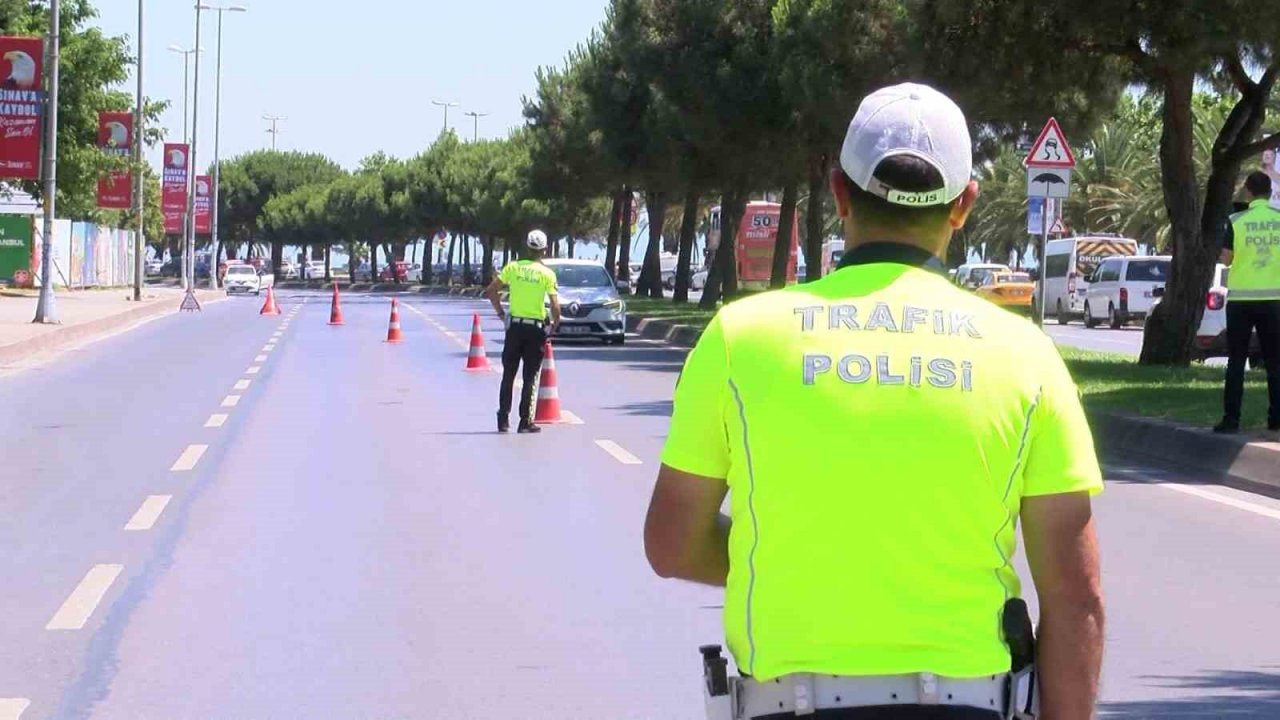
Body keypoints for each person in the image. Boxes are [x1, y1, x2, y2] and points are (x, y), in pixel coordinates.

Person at [644, 84, 1105, 720]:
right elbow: (1076, 598)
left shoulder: (739, 338)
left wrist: (802, 561)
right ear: (965, 205)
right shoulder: (1026, 355)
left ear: (838, 193)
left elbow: (671, 544)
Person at [1215, 171, 1280, 434]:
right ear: (1270, 192)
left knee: (1236, 361)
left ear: (1249, 192)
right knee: (1275, 362)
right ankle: (1276, 418)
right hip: (1274, 300)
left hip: (1241, 300)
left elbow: (1226, 260)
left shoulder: (1236, 220)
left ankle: (1231, 419)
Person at [485, 230, 561, 434]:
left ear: (526, 247)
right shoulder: (547, 274)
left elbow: (491, 291)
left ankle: (502, 419)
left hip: (515, 328)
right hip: (535, 329)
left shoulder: (513, 268)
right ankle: (525, 421)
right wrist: (555, 323)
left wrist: (502, 314)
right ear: (544, 250)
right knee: (530, 376)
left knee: (508, 374)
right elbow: (555, 305)